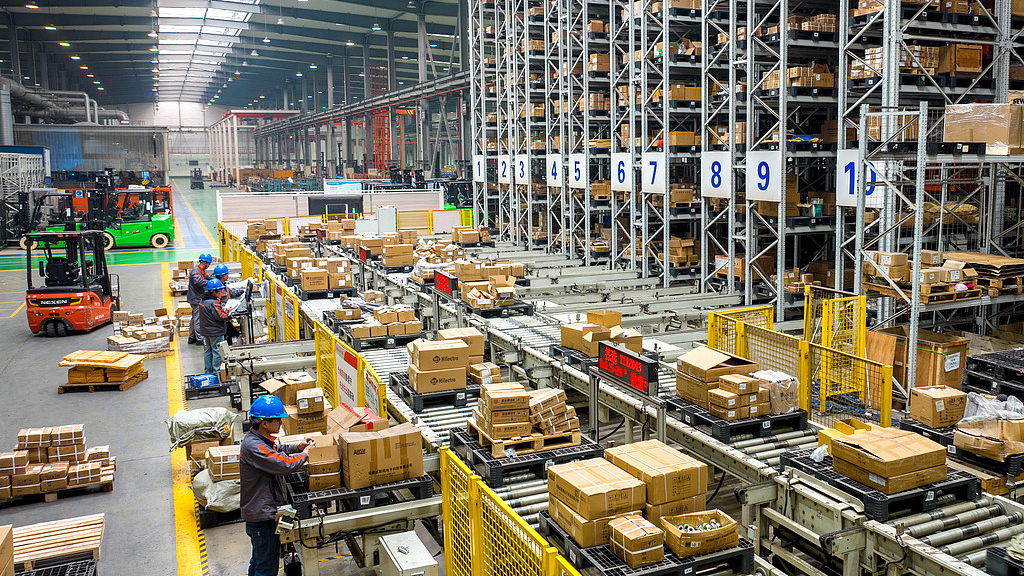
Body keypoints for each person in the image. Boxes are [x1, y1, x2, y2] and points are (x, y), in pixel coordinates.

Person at [240, 395, 312, 576]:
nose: (281, 423)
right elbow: (283, 464)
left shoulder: (259, 440)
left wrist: (297, 447)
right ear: (265, 423)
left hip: (260, 513)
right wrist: (305, 454)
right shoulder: (254, 446)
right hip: (262, 517)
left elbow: (276, 450)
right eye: (278, 420)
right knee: (266, 568)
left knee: (258, 561)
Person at [197, 278, 232, 376]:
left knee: (208, 351)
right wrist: (227, 311)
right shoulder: (214, 303)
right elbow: (222, 316)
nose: (222, 293)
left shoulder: (203, 301)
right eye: (220, 291)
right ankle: (217, 373)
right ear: (214, 292)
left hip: (206, 331)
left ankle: (208, 372)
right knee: (217, 351)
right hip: (216, 332)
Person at [187, 253, 214, 345]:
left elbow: (207, 277)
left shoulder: (201, 271)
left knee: (194, 318)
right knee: (198, 319)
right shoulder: (196, 272)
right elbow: (199, 281)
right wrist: (212, 284)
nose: (208, 266)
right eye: (208, 264)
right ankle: (199, 339)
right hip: (196, 299)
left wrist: (214, 280)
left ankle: (192, 337)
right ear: (205, 263)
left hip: (196, 297)